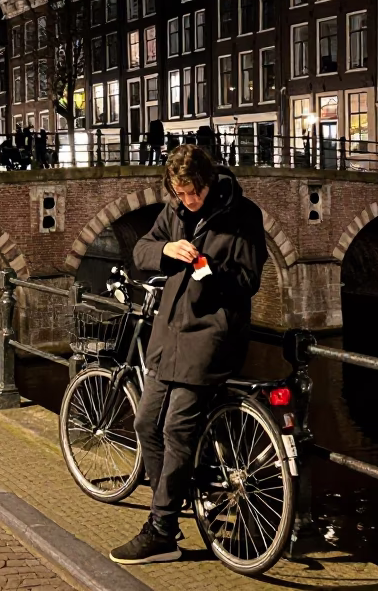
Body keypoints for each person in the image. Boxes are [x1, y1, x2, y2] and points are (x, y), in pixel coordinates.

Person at [110, 144, 267, 565]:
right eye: (179, 193)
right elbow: (142, 249)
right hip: (169, 336)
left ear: (208, 182)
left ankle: (161, 531)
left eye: (192, 192)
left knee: (178, 430)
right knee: (145, 423)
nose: (186, 200)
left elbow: (248, 281)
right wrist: (166, 250)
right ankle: (174, 506)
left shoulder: (242, 217)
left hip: (211, 338)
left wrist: (206, 268)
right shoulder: (175, 212)